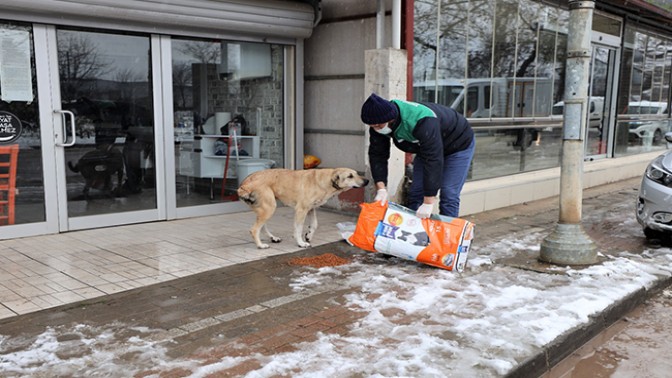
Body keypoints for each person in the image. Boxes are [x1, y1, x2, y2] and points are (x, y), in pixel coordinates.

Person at [360, 92, 475, 218]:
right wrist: (381, 187)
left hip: (457, 144)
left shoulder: (422, 120)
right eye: (372, 126)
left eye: (378, 125)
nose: (376, 128)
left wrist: (428, 203)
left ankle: (448, 235)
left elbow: (433, 160)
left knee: (449, 193)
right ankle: (413, 230)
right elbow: (377, 155)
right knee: (416, 191)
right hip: (426, 147)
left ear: (390, 119)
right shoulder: (378, 122)